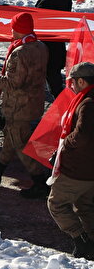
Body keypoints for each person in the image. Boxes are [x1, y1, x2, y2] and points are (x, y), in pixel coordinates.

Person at [0, 12, 50, 198]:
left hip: (18, 106)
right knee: (11, 136)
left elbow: (13, 83)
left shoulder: (19, 53)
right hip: (33, 102)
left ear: (17, 29)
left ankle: (40, 182)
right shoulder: (40, 46)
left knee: (20, 144)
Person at [48, 62, 94, 258]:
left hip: (78, 168)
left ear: (81, 81)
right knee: (86, 206)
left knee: (56, 203)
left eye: (72, 82)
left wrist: (65, 144)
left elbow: (82, 135)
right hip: (90, 168)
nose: (71, 86)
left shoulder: (88, 103)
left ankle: (81, 241)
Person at [32, 0, 73, 99]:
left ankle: (63, 105)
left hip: (47, 47)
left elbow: (37, 21)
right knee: (53, 76)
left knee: (53, 82)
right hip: (59, 44)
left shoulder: (46, 1)